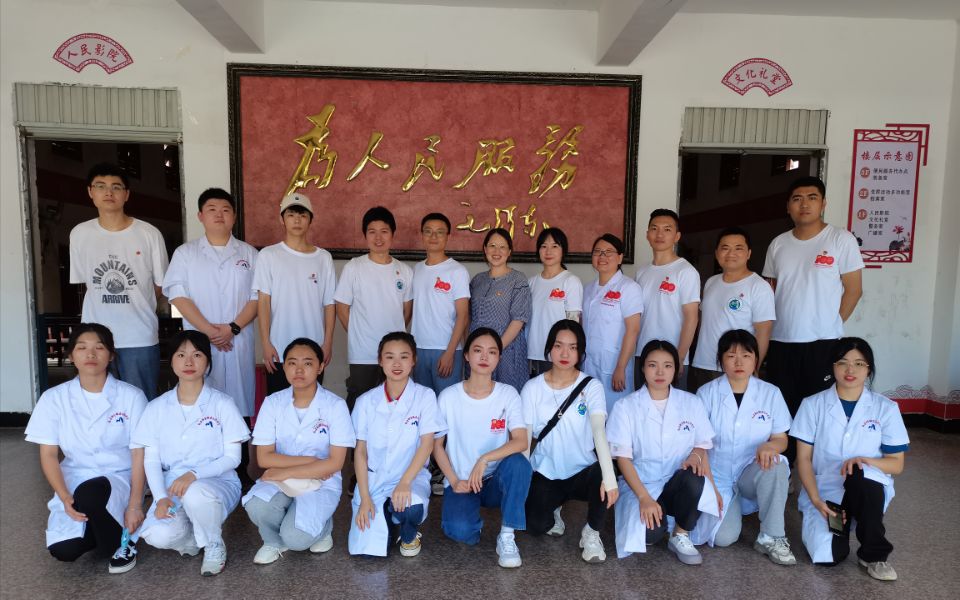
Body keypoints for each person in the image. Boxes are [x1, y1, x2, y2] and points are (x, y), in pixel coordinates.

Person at [25, 323, 147, 574]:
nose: (90, 354)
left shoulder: (131, 396)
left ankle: (123, 544)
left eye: (99, 348)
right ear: (71, 356)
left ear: (111, 355)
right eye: (81, 348)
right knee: (64, 551)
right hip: (75, 476)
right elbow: (49, 454)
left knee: (91, 495)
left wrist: (135, 504)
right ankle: (102, 529)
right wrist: (64, 496)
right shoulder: (53, 398)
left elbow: (139, 453)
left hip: (119, 476)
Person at [763, 176, 864, 462]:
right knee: (783, 410)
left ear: (823, 203)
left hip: (823, 343)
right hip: (781, 341)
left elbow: (854, 290)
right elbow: (769, 292)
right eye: (797, 199)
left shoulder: (840, 239)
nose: (804, 204)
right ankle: (786, 469)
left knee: (819, 409)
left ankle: (817, 472)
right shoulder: (778, 244)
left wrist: (831, 324)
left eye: (812, 197)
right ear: (788, 206)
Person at [133, 330, 250, 576]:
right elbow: (151, 459)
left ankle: (213, 544)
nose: (188, 362)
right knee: (156, 534)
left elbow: (233, 458)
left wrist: (194, 474)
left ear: (207, 362)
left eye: (197, 355)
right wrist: (160, 497)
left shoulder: (222, 404)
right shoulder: (156, 408)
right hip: (171, 485)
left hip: (216, 483)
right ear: (171, 361)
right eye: (181, 355)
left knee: (196, 493)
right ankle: (192, 540)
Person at [790, 337, 909, 581]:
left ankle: (874, 555)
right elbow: (803, 459)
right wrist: (815, 500)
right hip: (826, 491)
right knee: (828, 555)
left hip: (866, 488)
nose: (850, 370)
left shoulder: (885, 408)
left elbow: (896, 464)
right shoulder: (812, 405)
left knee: (860, 474)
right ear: (832, 367)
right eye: (842, 362)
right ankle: (837, 528)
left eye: (859, 363)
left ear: (869, 369)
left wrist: (866, 461)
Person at [243, 338, 356, 564]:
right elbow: (264, 458)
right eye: (292, 363)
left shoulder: (335, 405)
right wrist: (312, 461)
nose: (299, 370)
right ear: (284, 367)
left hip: (321, 482)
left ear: (320, 367)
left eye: (308, 363)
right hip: (288, 477)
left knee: (296, 540)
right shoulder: (273, 403)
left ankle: (323, 528)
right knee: (257, 505)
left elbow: (335, 463)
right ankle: (272, 541)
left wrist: (284, 471)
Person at [606, 340, 718, 565]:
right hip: (642, 483)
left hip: (678, 481)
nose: (660, 372)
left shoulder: (691, 402)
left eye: (667, 366)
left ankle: (680, 533)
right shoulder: (625, 407)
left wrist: (696, 458)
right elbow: (623, 459)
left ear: (676, 369)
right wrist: (644, 498)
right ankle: (660, 515)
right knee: (651, 535)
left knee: (694, 477)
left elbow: (702, 444)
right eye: (652, 365)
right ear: (642, 368)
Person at [689, 330, 795, 566]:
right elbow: (699, 445)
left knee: (776, 464)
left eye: (746, 356)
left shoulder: (770, 393)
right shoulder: (706, 394)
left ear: (756, 359)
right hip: (717, 475)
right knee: (724, 537)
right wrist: (712, 488)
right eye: (731, 356)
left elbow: (781, 438)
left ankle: (772, 536)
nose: (739, 362)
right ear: (720, 360)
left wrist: (771, 445)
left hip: (752, 470)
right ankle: (732, 507)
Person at [433, 328, 532, 568]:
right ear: (466, 355)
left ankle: (507, 535)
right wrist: (453, 480)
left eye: (492, 352)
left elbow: (521, 440)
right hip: (463, 481)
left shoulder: (508, 394)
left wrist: (484, 459)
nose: (485, 357)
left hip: (495, 479)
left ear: (499, 358)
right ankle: (470, 518)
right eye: (478, 350)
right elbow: (437, 446)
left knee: (519, 464)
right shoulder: (448, 396)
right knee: (460, 532)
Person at [69, 163, 169, 399]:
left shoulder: (148, 234)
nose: (108, 192)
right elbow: (86, 282)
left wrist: (138, 301)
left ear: (127, 194)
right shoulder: (80, 234)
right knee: (98, 399)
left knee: (140, 400)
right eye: (100, 186)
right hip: (95, 337)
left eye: (116, 187)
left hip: (139, 335)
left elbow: (161, 284)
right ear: (90, 192)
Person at [521, 320, 617, 563]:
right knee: (534, 526)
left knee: (603, 474)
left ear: (580, 352)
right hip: (546, 470)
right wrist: (521, 483)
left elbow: (598, 430)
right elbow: (524, 438)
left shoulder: (591, 386)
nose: (565, 353)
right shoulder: (532, 388)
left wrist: (609, 476)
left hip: (582, 470)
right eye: (559, 346)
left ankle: (592, 532)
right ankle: (554, 508)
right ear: (549, 349)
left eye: (572, 347)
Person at [163, 188, 258, 417]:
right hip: (200, 340)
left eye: (225, 210)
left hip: (238, 339)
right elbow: (178, 295)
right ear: (200, 216)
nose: (219, 214)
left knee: (238, 409)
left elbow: (258, 297)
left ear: (234, 217)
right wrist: (209, 331)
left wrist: (232, 328)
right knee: (201, 407)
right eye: (212, 209)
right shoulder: (185, 253)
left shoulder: (250, 254)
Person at [349, 332, 440, 557]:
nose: (397, 364)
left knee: (411, 507)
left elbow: (427, 444)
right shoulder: (365, 401)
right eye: (389, 357)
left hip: (411, 476)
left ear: (414, 360)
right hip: (375, 479)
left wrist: (405, 482)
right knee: (367, 553)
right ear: (380, 361)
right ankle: (389, 516)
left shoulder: (425, 396)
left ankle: (408, 532)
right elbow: (360, 452)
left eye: (404, 357)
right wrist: (365, 498)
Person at [253, 192, 336, 394]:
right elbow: (263, 302)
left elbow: (329, 304)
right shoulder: (269, 255)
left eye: (302, 215)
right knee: (279, 404)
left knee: (311, 403)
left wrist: (327, 343)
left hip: (314, 348)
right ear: (282, 219)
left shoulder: (323, 258)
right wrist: (266, 343)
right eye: (291, 215)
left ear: (310, 220)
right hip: (278, 348)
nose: (297, 220)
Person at [335, 206, 414, 408]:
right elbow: (342, 308)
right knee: (360, 404)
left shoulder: (404, 271)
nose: (378, 238)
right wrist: (358, 333)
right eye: (372, 232)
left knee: (393, 405)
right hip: (363, 353)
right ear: (365, 235)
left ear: (392, 234)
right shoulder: (354, 267)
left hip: (395, 354)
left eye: (384, 231)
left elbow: (406, 312)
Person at [689, 227, 775, 391]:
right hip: (703, 363)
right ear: (717, 253)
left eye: (738, 248)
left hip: (735, 368)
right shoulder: (711, 282)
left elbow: (764, 331)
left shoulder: (758, 286)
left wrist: (753, 367)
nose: (731, 253)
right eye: (725, 248)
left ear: (749, 253)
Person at [634, 209, 700, 391]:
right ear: (647, 234)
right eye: (654, 228)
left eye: (667, 229)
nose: (660, 234)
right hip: (643, 355)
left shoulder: (685, 271)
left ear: (677, 236)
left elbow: (692, 317)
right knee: (642, 405)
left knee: (673, 407)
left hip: (672, 357)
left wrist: (679, 357)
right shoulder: (642, 272)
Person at [582, 234, 643, 411]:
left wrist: (620, 367)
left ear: (620, 258)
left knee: (615, 413)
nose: (602, 256)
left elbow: (633, 330)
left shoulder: (629, 287)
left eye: (609, 252)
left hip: (614, 364)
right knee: (590, 413)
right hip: (588, 363)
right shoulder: (588, 288)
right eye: (598, 252)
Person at [411, 212, 470, 395]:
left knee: (446, 403)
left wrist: (450, 352)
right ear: (422, 235)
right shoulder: (416, 269)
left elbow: (463, 315)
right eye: (428, 231)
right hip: (419, 349)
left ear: (448, 236)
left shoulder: (457, 271)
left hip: (446, 349)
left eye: (440, 232)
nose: (433, 236)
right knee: (423, 404)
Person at [468, 228, 532, 392]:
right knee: (478, 394)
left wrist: (496, 350)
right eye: (492, 246)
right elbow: (469, 317)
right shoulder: (477, 280)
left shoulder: (518, 280)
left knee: (507, 395)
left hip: (508, 350)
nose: (497, 251)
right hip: (478, 351)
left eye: (502, 247)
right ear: (485, 249)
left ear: (509, 252)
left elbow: (518, 319)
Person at [527, 228, 583, 376]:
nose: (548, 251)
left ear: (563, 250)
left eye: (554, 246)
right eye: (544, 246)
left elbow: (573, 323)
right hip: (532, 353)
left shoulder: (570, 281)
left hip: (558, 355)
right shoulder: (531, 282)